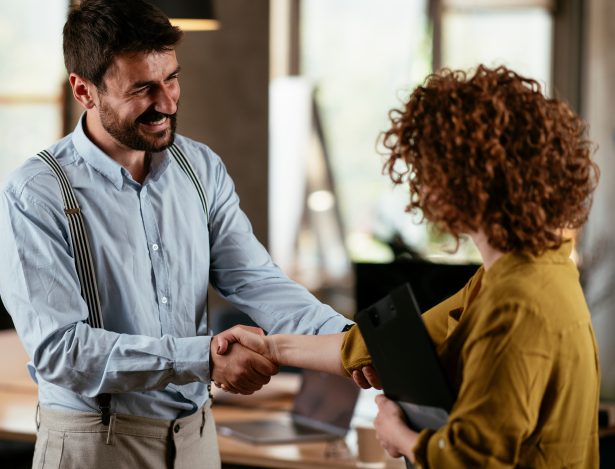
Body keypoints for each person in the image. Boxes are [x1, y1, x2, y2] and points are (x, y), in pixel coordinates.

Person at [0, 0, 354, 469]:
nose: (166, 102)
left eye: (172, 79)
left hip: (197, 440)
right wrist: (203, 358)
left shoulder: (200, 170)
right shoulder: (34, 195)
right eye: (142, 89)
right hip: (95, 445)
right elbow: (62, 351)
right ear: (84, 90)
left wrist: (349, 342)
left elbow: (257, 281)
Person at [216, 65, 601, 468]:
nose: (420, 181)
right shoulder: (528, 271)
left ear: (468, 178)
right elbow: (377, 348)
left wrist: (398, 435)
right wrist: (273, 347)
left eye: (428, 165)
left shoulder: (516, 300)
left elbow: (472, 459)